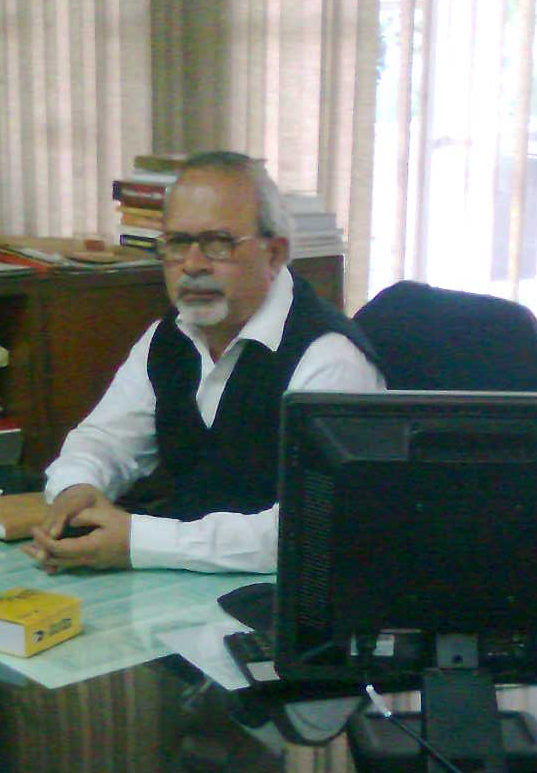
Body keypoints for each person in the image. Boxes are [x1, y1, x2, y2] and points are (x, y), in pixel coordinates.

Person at [26, 151, 385, 574]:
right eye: (178, 244)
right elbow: (104, 438)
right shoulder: (169, 338)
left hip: (284, 602)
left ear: (274, 254)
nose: (192, 265)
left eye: (218, 243)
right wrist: (76, 490)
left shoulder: (328, 359)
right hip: (184, 587)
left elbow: (313, 528)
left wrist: (139, 542)